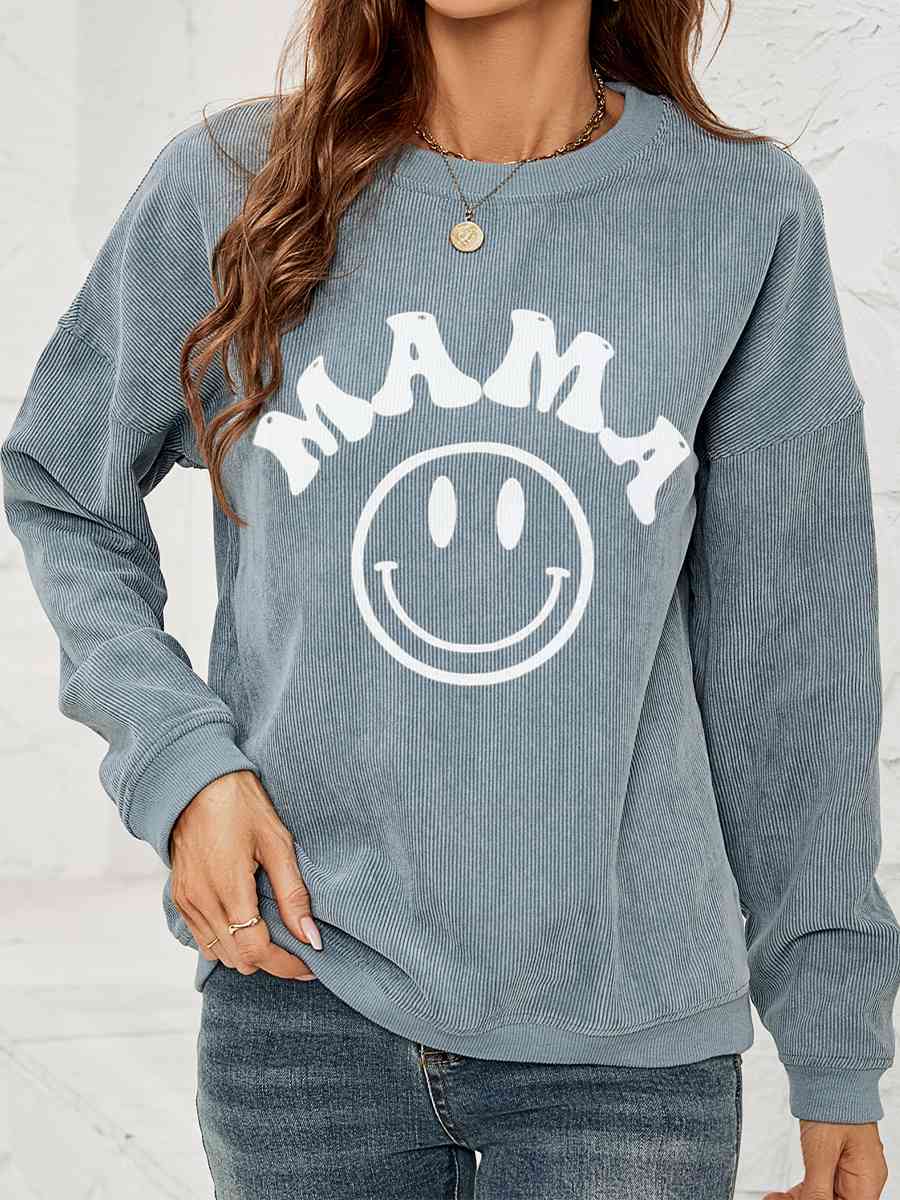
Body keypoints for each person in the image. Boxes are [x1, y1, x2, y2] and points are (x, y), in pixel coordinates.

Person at [2, 0, 898, 1197]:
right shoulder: (234, 182)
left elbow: (791, 664)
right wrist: (184, 766)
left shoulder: (739, 212)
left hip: (624, 1051)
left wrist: (834, 1047)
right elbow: (61, 487)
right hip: (302, 998)